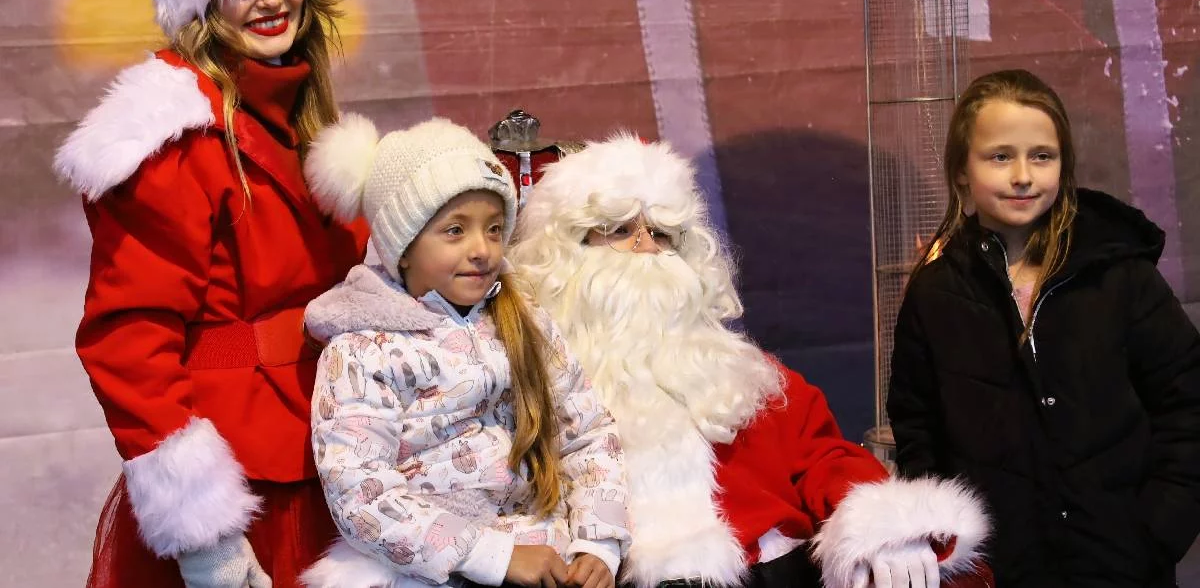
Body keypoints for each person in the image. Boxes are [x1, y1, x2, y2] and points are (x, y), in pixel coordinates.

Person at [507, 135, 991, 588]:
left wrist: (883, 523)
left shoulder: (735, 373)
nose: (647, 248)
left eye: (661, 232)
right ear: (564, 255)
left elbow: (826, 459)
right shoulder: (512, 382)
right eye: (618, 230)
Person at [52, 0, 369, 585]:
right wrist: (205, 533)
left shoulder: (298, 114)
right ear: (199, 2)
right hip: (244, 475)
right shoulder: (174, 142)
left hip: (334, 442)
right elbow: (128, 339)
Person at [887, 69, 1200, 587]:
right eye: (1000, 156)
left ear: (1063, 164)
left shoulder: (1120, 274)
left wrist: (1156, 532)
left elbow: (1187, 402)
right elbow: (918, 430)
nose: (1023, 176)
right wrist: (950, 547)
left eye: (1042, 156)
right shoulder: (935, 293)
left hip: (1121, 568)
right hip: (996, 571)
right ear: (962, 171)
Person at [297, 115, 631, 588]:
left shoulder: (525, 319)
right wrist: (494, 557)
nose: (482, 249)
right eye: (455, 230)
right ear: (402, 246)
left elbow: (588, 432)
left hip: (548, 553)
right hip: (429, 570)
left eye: (494, 229)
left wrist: (599, 542)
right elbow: (360, 494)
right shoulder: (362, 349)